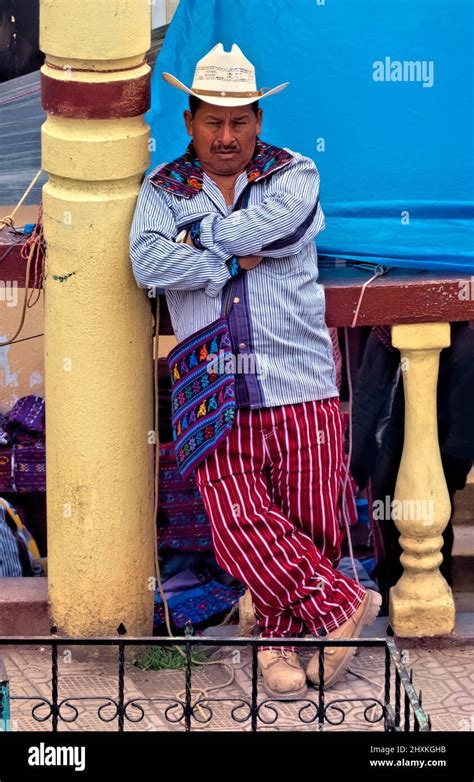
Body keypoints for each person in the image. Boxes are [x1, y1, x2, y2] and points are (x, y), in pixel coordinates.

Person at [130, 42, 381, 699]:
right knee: (238, 526)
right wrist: (222, 259)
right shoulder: (161, 189)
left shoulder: (296, 174)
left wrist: (194, 243)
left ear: (258, 122)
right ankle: (340, 606)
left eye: (240, 121)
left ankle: (285, 644)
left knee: (309, 523)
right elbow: (147, 264)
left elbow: (278, 230)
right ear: (189, 123)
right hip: (209, 388)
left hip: (296, 376)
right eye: (212, 121)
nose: (226, 135)